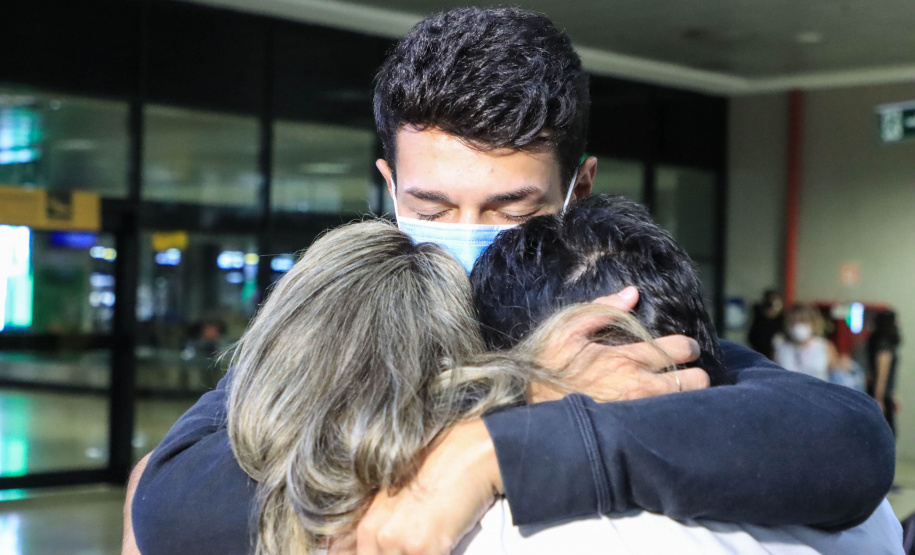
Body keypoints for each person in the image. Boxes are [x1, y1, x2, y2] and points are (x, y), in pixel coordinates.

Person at [130, 8, 894, 555]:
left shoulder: (599, 319)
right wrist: (524, 400)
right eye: (430, 204)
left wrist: (493, 452)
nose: (464, 229)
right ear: (388, 186)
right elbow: (181, 503)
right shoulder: (342, 329)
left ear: (577, 191)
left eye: (508, 205)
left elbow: (840, 440)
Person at [774, 304, 830, 381]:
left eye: (803, 321)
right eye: (794, 322)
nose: (798, 325)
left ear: (813, 323)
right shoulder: (781, 348)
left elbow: (835, 370)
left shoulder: (824, 346)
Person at [868, 309, 902, 436]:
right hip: (881, 394)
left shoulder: (880, 343)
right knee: (887, 433)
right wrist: (879, 398)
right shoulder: (884, 344)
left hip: (884, 394)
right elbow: (882, 374)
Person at [748, 290, 784, 360]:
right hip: (760, 356)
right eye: (769, 301)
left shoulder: (783, 320)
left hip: (779, 358)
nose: (772, 304)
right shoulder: (759, 318)